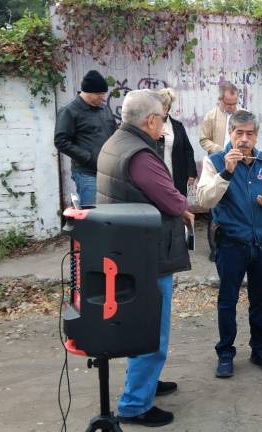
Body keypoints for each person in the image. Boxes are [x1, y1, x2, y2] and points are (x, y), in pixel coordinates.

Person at [96, 89, 194, 427]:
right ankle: (135, 404)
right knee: (152, 330)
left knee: (144, 327)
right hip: (146, 254)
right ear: (151, 120)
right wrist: (185, 208)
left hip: (128, 249)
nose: (163, 126)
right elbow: (171, 200)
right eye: (162, 120)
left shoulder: (116, 142)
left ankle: (146, 384)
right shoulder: (140, 155)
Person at [197, 109, 262, 379]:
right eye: (239, 133)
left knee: (260, 300)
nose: (244, 139)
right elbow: (204, 200)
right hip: (231, 245)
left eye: (250, 134)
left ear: (256, 136)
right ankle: (225, 354)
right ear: (230, 134)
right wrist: (226, 172)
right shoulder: (214, 162)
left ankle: (260, 350)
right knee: (227, 301)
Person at [54, 70, 117, 205]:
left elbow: (114, 132)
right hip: (87, 174)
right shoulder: (69, 111)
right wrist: (87, 157)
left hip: (108, 172)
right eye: (99, 94)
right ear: (88, 92)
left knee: (109, 214)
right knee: (91, 215)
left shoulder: (104, 109)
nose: (103, 97)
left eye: (103, 93)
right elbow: (61, 141)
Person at [199, 81, 240, 261]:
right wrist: (219, 150)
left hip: (238, 167)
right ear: (220, 99)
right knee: (215, 208)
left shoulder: (243, 115)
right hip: (218, 167)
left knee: (235, 205)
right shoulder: (211, 116)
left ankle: (236, 244)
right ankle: (214, 248)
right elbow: (203, 139)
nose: (232, 107)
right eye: (229, 103)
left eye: (234, 103)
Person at [154, 88, 197, 197]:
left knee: (177, 206)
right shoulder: (149, 125)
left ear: (167, 108)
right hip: (156, 176)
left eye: (163, 107)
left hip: (176, 176)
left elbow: (188, 150)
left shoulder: (177, 126)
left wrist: (191, 172)